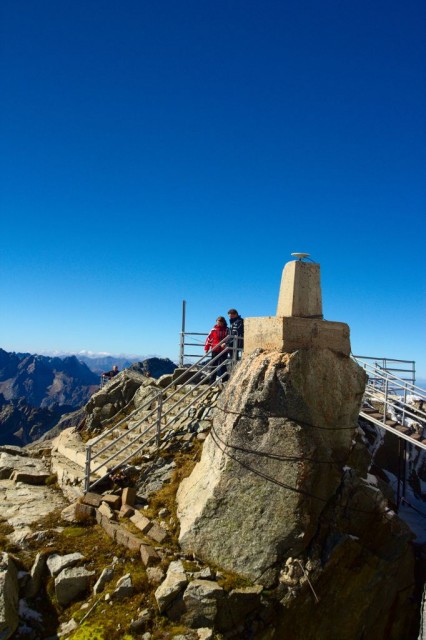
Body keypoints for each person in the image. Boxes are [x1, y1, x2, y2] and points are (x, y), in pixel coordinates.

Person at [204, 316, 229, 381]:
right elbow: (209, 339)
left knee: (223, 365)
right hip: (215, 349)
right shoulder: (213, 330)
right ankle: (212, 381)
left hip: (224, 350)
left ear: (223, 322)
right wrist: (206, 348)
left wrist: (225, 343)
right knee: (213, 366)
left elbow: (229, 338)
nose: (218, 323)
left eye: (220, 322)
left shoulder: (227, 329)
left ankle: (225, 380)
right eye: (217, 322)